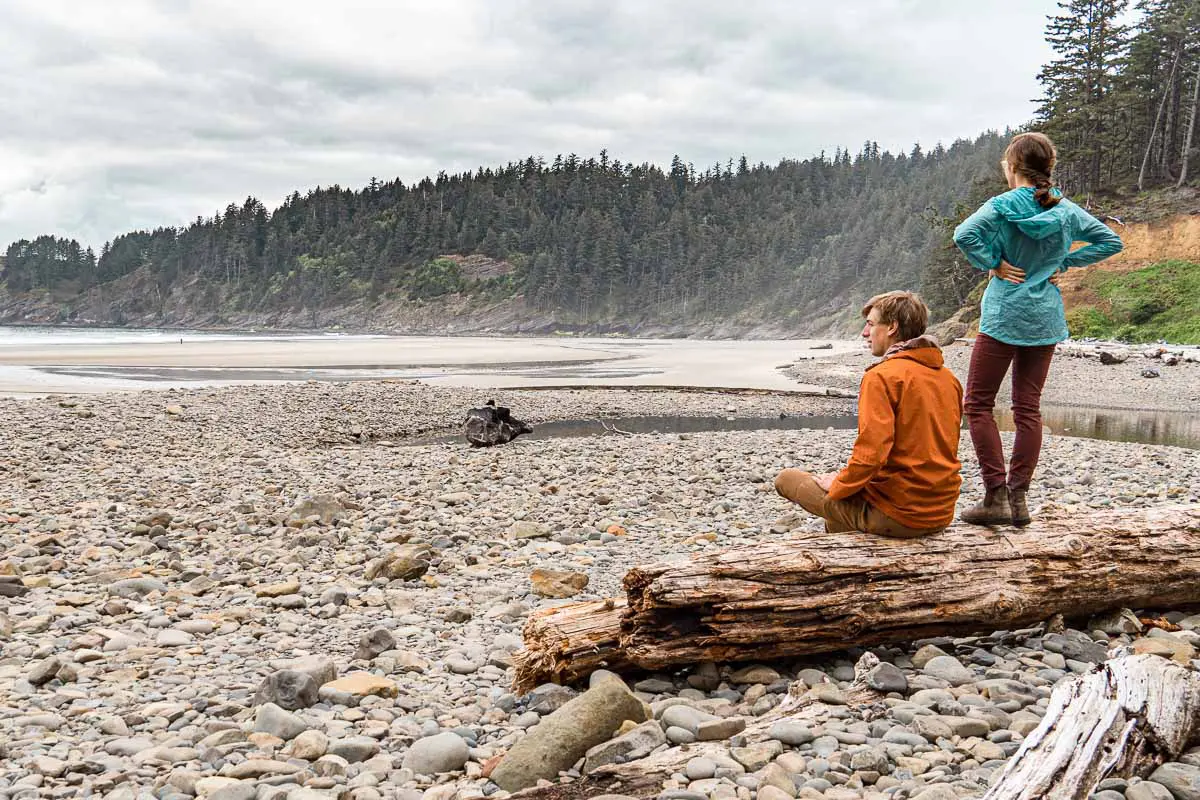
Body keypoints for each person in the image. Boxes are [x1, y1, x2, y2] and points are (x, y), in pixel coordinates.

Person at [953, 132, 1123, 527]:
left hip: (1003, 314)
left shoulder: (1001, 205)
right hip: (1044, 317)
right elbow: (1109, 241)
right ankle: (1020, 499)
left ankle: (995, 497)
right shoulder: (1064, 209)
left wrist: (993, 262)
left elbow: (964, 235)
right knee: (1027, 408)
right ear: (1048, 168)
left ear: (1012, 167)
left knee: (978, 405)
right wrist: (1062, 262)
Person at [775, 291, 963, 537]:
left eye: (871, 325)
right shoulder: (948, 378)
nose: (865, 333)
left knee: (787, 478)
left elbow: (872, 455)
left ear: (892, 327)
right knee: (837, 523)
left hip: (898, 515)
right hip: (940, 513)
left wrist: (839, 484)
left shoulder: (882, 376)